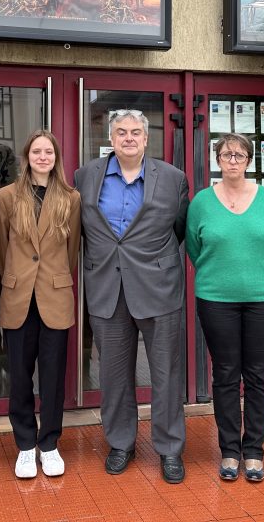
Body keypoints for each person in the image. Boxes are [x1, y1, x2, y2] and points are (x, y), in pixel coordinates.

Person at [74, 110, 189, 484]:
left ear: (146, 138)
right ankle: (121, 442)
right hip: (107, 288)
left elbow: (179, 229)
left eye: (135, 132)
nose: (128, 137)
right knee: (113, 374)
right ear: (110, 137)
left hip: (158, 288)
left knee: (166, 373)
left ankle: (170, 448)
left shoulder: (173, 179)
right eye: (121, 132)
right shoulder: (85, 176)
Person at [186, 134, 264, 483]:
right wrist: (220, 275)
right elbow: (195, 247)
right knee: (226, 374)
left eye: (239, 155)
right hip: (216, 299)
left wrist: (253, 273)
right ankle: (230, 450)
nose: (232, 160)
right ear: (217, 159)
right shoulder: (201, 202)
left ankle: (254, 452)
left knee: (258, 375)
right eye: (226, 154)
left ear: (248, 161)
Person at [0, 131, 81, 480]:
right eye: (36, 151)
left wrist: (53, 277)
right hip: (18, 296)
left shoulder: (71, 199)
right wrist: (19, 277)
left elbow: (71, 251)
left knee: (54, 378)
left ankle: (50, 444)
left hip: (55, 296)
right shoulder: (6, 196)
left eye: (49, 152)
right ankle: (26, 446)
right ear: (26, 156)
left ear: (57, 157)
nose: (43, 157)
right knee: (18, 377)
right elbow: (2, 249)